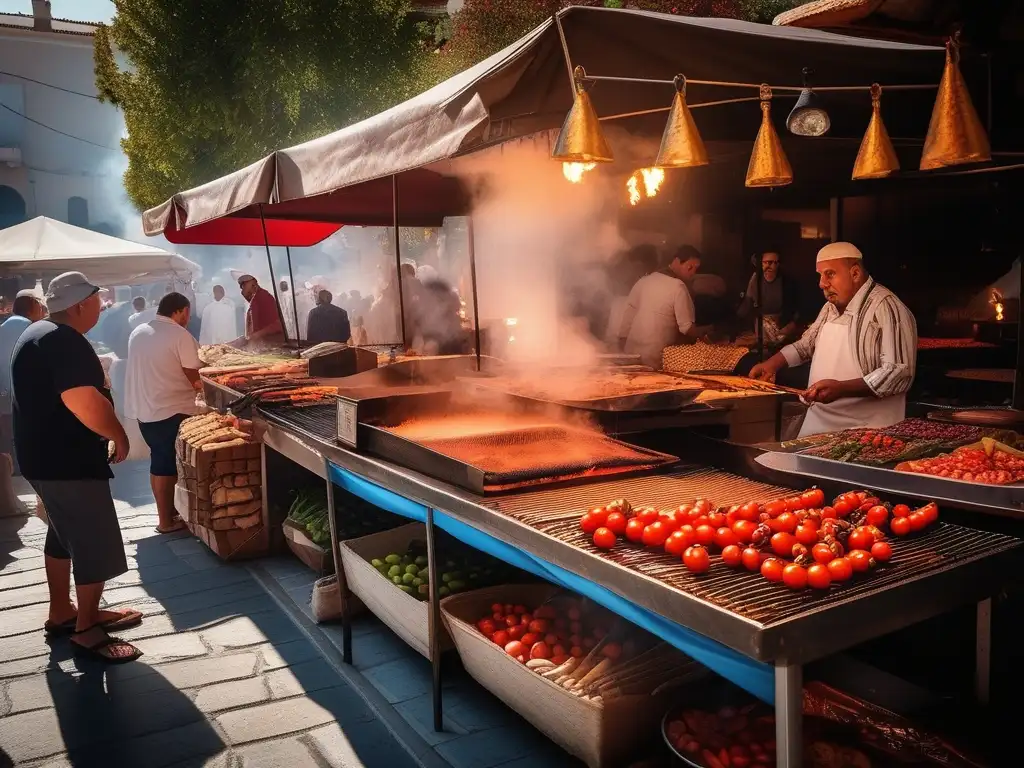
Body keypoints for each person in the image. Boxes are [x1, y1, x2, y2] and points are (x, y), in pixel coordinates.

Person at [12, 271, 143, 662]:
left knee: (62, 533)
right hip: (67, 461)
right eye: (97, 301)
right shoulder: (62, 340)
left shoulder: (36, 333)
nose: (101, 307)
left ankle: (62, 611)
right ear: (80, 304)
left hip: (42, 458)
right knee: (92, 539)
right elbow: (83, 401)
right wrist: (119, 436)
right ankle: (87, 628)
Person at [750, 242, 917, 437]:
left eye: (830, 274)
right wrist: (772, 364)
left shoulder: (887, 308)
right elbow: (806, 345)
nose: (822, 283)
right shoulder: (830, 308)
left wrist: (842, 389)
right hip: (819, 422)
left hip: (868, 429)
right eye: (820, 275)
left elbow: (898, 373)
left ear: (855, 273)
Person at [125, 292, 203, 534]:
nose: (187, 319)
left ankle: (170, 513)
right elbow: (195, 377)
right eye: (187, 314)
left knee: (159, 460)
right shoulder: (180, 335)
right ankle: (166, 521)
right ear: (179, 311)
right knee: (166, 464)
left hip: (145, 408)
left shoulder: (139, 331)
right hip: (172, 409)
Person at [618, 245, 715, 369]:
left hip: (631, 352)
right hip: (655, 356)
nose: (692, 273)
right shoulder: (678, 286)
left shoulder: (644, 280)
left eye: (696, 269)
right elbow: (686, 328)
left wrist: (622, 342)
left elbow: (628, 313)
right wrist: (706, 333)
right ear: (677, 261)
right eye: (689, 267)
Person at [1, 291, 46, 472]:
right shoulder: (33, 329)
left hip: (3, 392)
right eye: (39, 305)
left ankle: (13, 467)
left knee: (9, 432)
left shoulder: (3, 327)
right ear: (32, 307)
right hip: (25, 393)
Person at [737, 251, 801, 343]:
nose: (768, 266)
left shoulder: (787, 281)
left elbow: (796, 306)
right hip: (761, 322)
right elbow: (747, 303)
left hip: (782, 323)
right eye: (765, 262)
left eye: (772, 263)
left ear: (778, 264)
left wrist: (793, 324)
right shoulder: (756, 279)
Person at [236, 274, 283, 344]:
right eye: (242, 287)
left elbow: (277, 325)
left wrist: (257, 335)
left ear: (253, 283)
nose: (242, 289)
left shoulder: (264, 297)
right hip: (259, 346)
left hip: (270, 344)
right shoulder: (254, 300)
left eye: (244, 285)